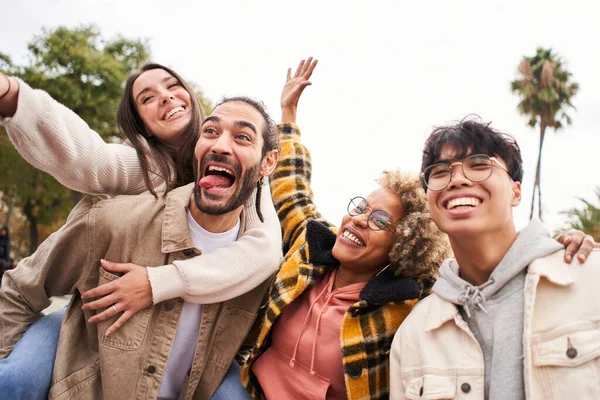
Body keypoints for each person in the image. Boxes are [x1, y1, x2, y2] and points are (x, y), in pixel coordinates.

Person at [0, 66, 282, 398]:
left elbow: (263, 252)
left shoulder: (250, 186)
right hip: (100, 322)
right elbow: (91, 158)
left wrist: (154, 282)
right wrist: (12, 95)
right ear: (141, 125)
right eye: (147, 98)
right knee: (15, 378)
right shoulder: (147, 169)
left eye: (172, 85)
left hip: (180, 340)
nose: (165, 97)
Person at [390, 118, 600, 399]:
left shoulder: (591, 280)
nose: (458, 179)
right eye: (439, 172)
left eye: (479, 165)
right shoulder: (415, 333)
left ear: (516, 191)